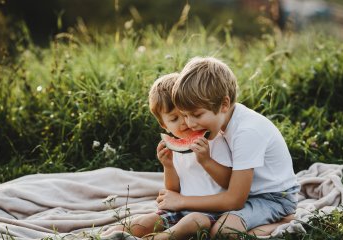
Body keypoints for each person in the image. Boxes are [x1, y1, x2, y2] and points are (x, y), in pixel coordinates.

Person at [155, 57, 300, 238]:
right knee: (220, 230)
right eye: (185, 115)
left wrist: (182, 201)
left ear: (224, 104)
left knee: (224, 232)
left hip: (274, 198)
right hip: (249, 194)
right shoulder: (224, 122)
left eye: (197, 114)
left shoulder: (247, 132)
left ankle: (284, 221)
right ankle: (259, 228)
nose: (190, 124)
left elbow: (234, 200)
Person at [102, 73, 233, 239]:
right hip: (179, 209)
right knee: (148, 220)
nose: (185, 122)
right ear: (164, 125)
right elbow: (172, 190)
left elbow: (229, 182)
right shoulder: (174, 147)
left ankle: (159, 238)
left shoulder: (215, 139)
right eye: (174, 118)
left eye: (187, 114)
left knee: (196, 221)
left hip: (213, 213)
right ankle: (106, 235)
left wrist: (206, 160)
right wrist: (168, 166)